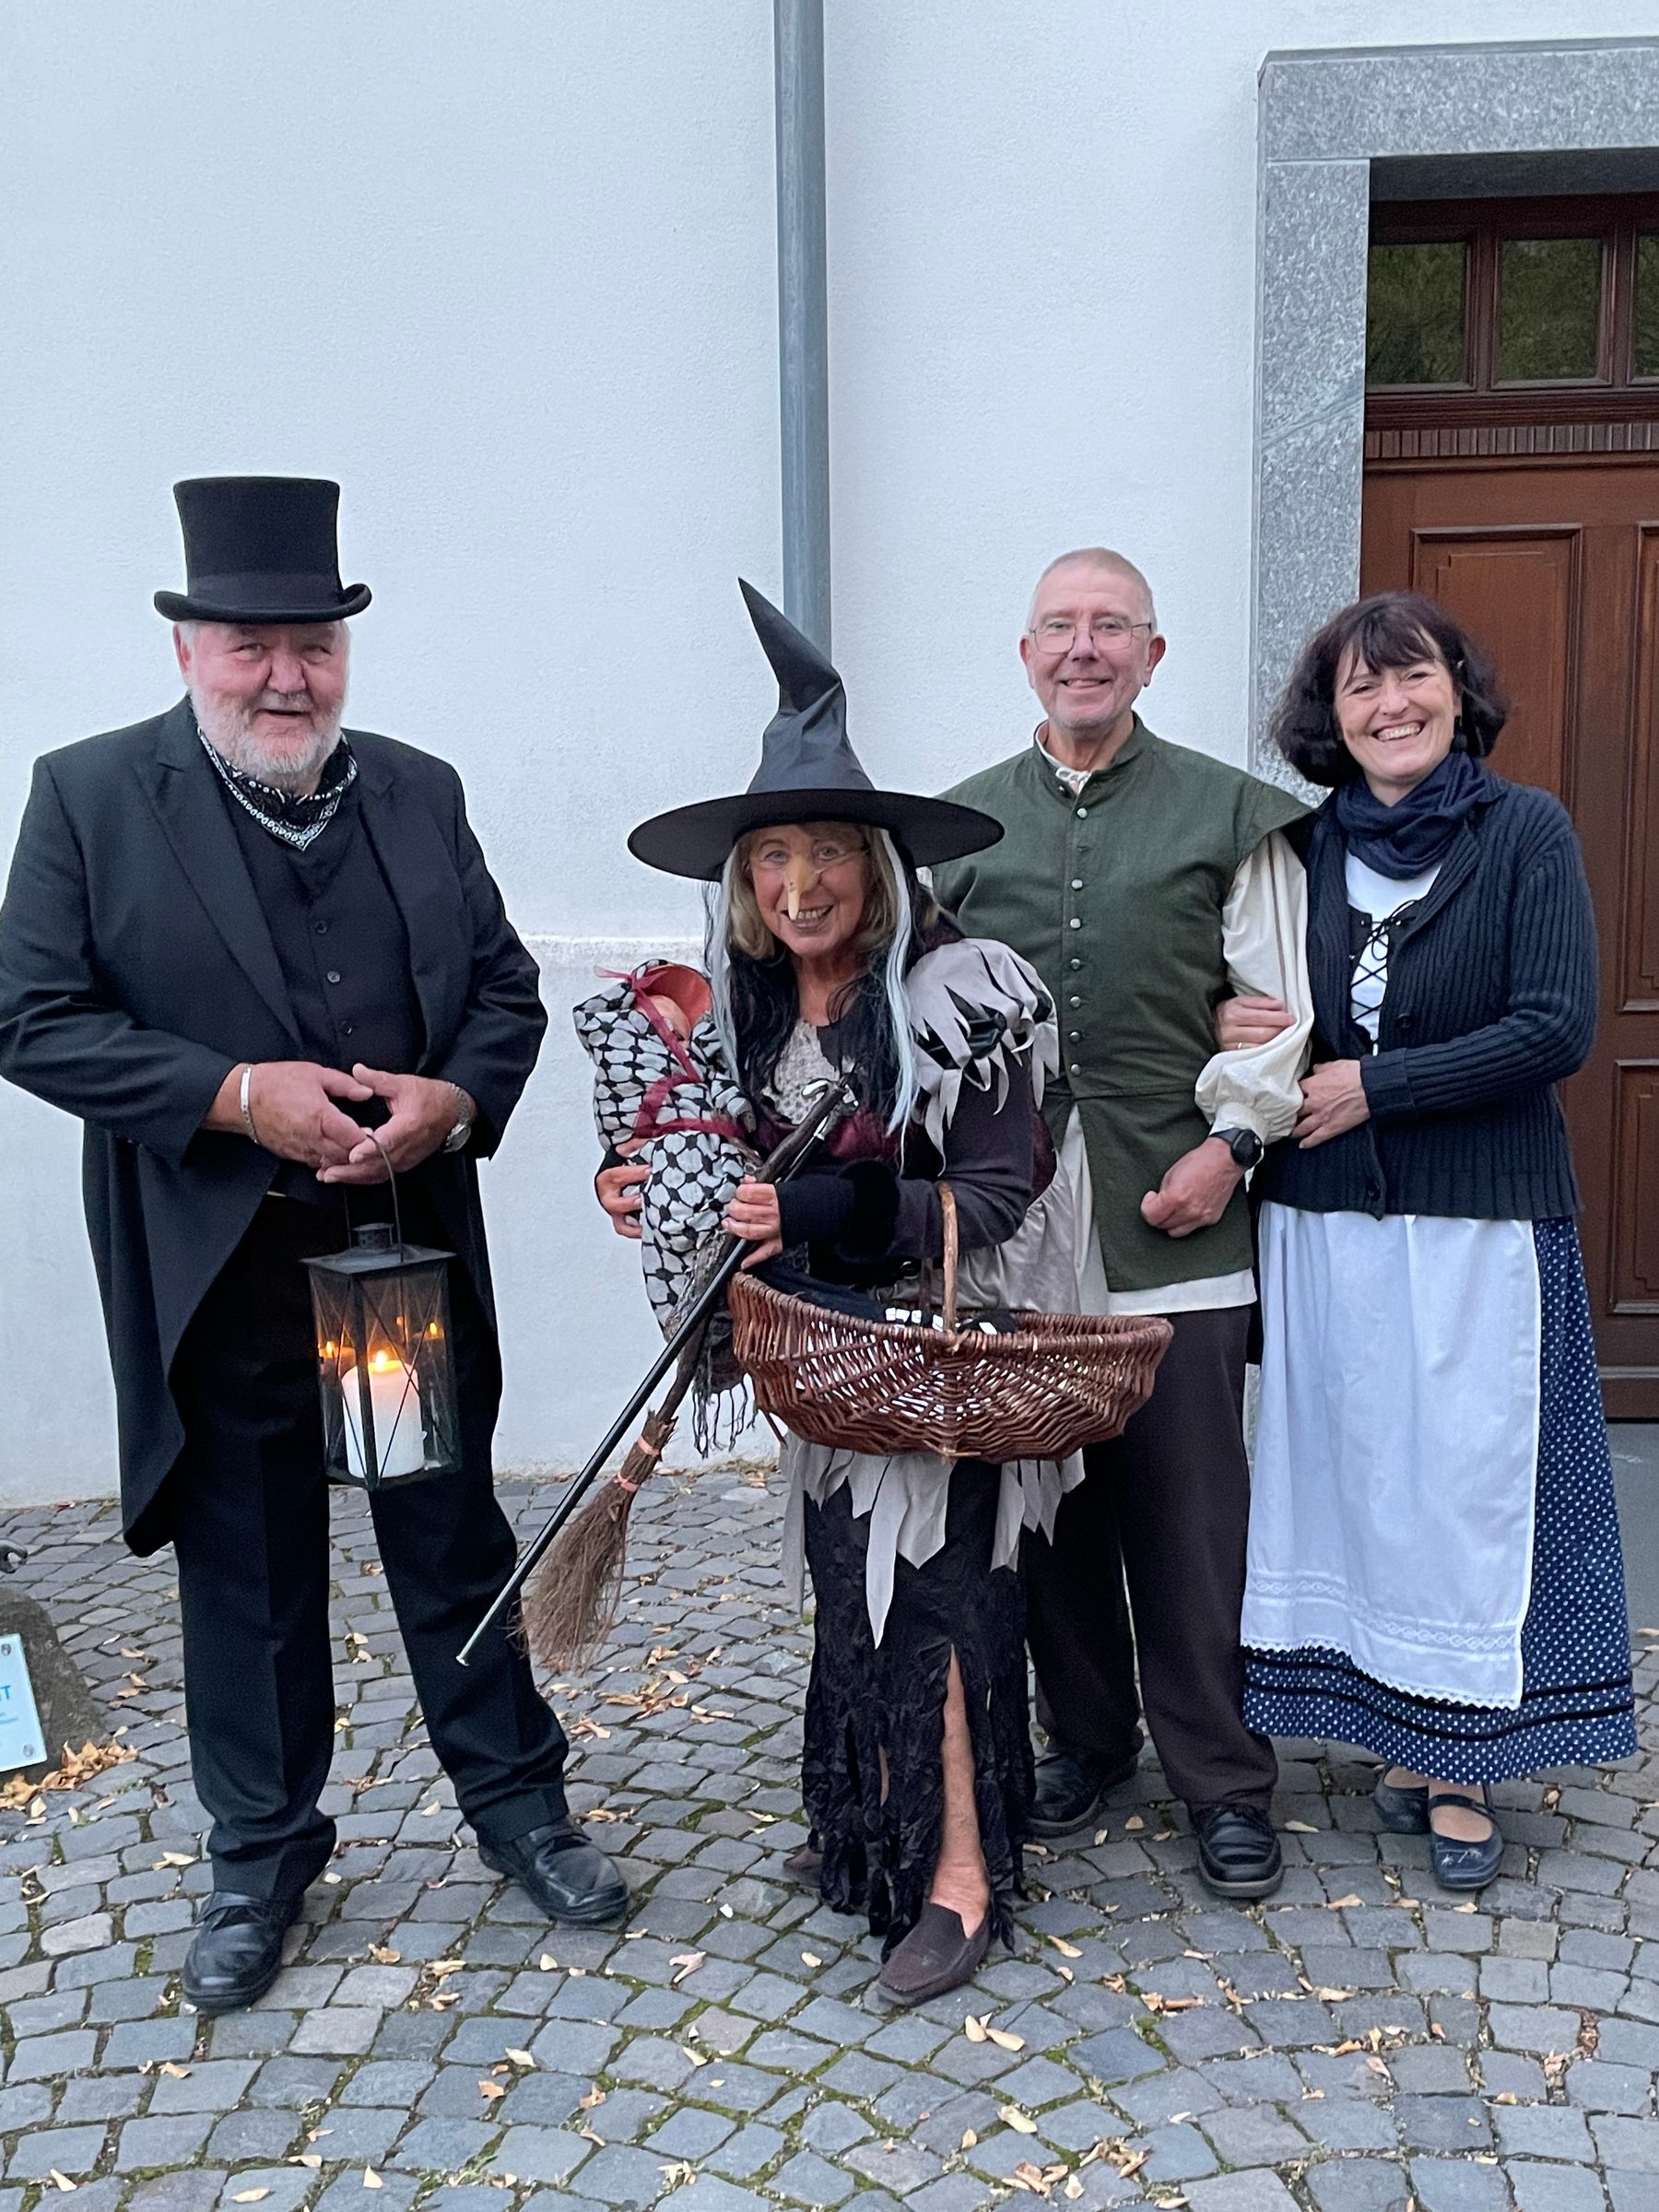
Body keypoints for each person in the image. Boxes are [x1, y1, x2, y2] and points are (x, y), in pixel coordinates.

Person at [0, 477, 627, 2013]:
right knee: (249, 1568)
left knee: (445, 1531)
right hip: (224, 1270)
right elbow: (31, 1017)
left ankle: (518, 1805)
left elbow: (501, 992)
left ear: (346, 651)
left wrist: (453, 1102)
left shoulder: (417, 788)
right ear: (189, 650)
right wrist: (230, 1096)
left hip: (395, 1254)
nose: (285, 676)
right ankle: (262, 1855)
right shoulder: (89, 794)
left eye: (314, 646)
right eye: (250, 645)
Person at [619, 582, 1093, 2003]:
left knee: (945, 1604)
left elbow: (1003, 1197)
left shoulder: (970, 988)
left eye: (830, 851)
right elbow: (718, 1155)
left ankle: (960, 1880)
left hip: (957, 1356)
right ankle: (864, 1832)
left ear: (879, 866)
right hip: (828, 1364)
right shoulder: (760, 1007)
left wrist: (829, 1204)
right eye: (774, 856)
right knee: (848, 1594)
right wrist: (655, 1184)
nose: (801, 884)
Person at [927, 548, 1311, 1900]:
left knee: (1193, 1514)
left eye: (1112, 628)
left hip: (1178, 1211)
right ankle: (1087, 1739)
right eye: (1060, 627)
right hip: (1024, 1233)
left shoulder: (1228, 815)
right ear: (1024, 651)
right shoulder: (959, 830)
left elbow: (1281, 1006)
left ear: (1155, 653)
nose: (1083, 647)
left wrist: (1231, 1144)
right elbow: (916, 1021)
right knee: (1054, 1510)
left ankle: (1223, 1779)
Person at [1237, 590, 1636, 1888]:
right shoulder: (1296, 853)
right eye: (1362, 688)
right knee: (1351, 1478)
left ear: (1458, 693)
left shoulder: (1524, 831)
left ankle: (1460, 1757)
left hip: (1479, 1224)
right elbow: (1264, 1011)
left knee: (1460, 1489)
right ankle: (1377, 1727)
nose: (1390, 705)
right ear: (1329, 717)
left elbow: (1556, 1026)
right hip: (1324, 1223)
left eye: (1413, 679)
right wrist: (1249, 1038)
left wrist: (1376, 1087)